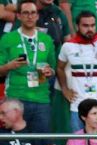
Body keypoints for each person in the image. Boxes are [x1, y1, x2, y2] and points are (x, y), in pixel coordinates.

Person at [0, 0, 56, 134]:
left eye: (33, 13)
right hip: (16, 98)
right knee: (18, 143)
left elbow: (53, 67)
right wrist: (9, 66)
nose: (30, 16)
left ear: (37, 16)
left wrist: (50, 71)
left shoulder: (46, 40)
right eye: (25, 13)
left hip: (41, 98)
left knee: (42, 142)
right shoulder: (8, 39)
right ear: (18, 16)